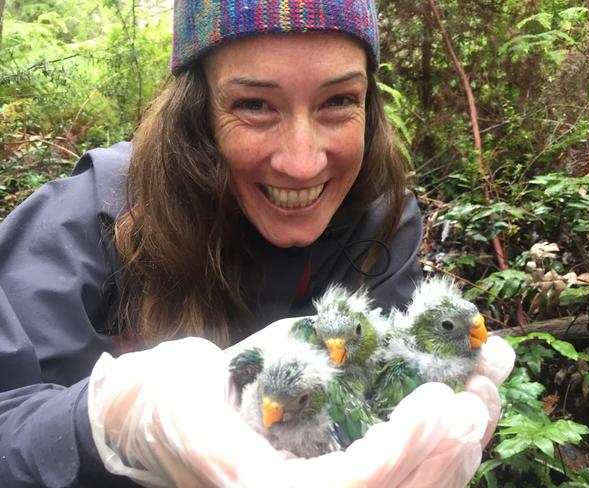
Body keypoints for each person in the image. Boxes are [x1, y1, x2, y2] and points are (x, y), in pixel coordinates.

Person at [0, 1, 514, 486]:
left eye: (338, 101)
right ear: (196, 113)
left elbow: (381, 399)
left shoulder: (382, 220)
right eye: (253, 105)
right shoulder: (85, 219)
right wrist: (110, 424)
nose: (302, 162)